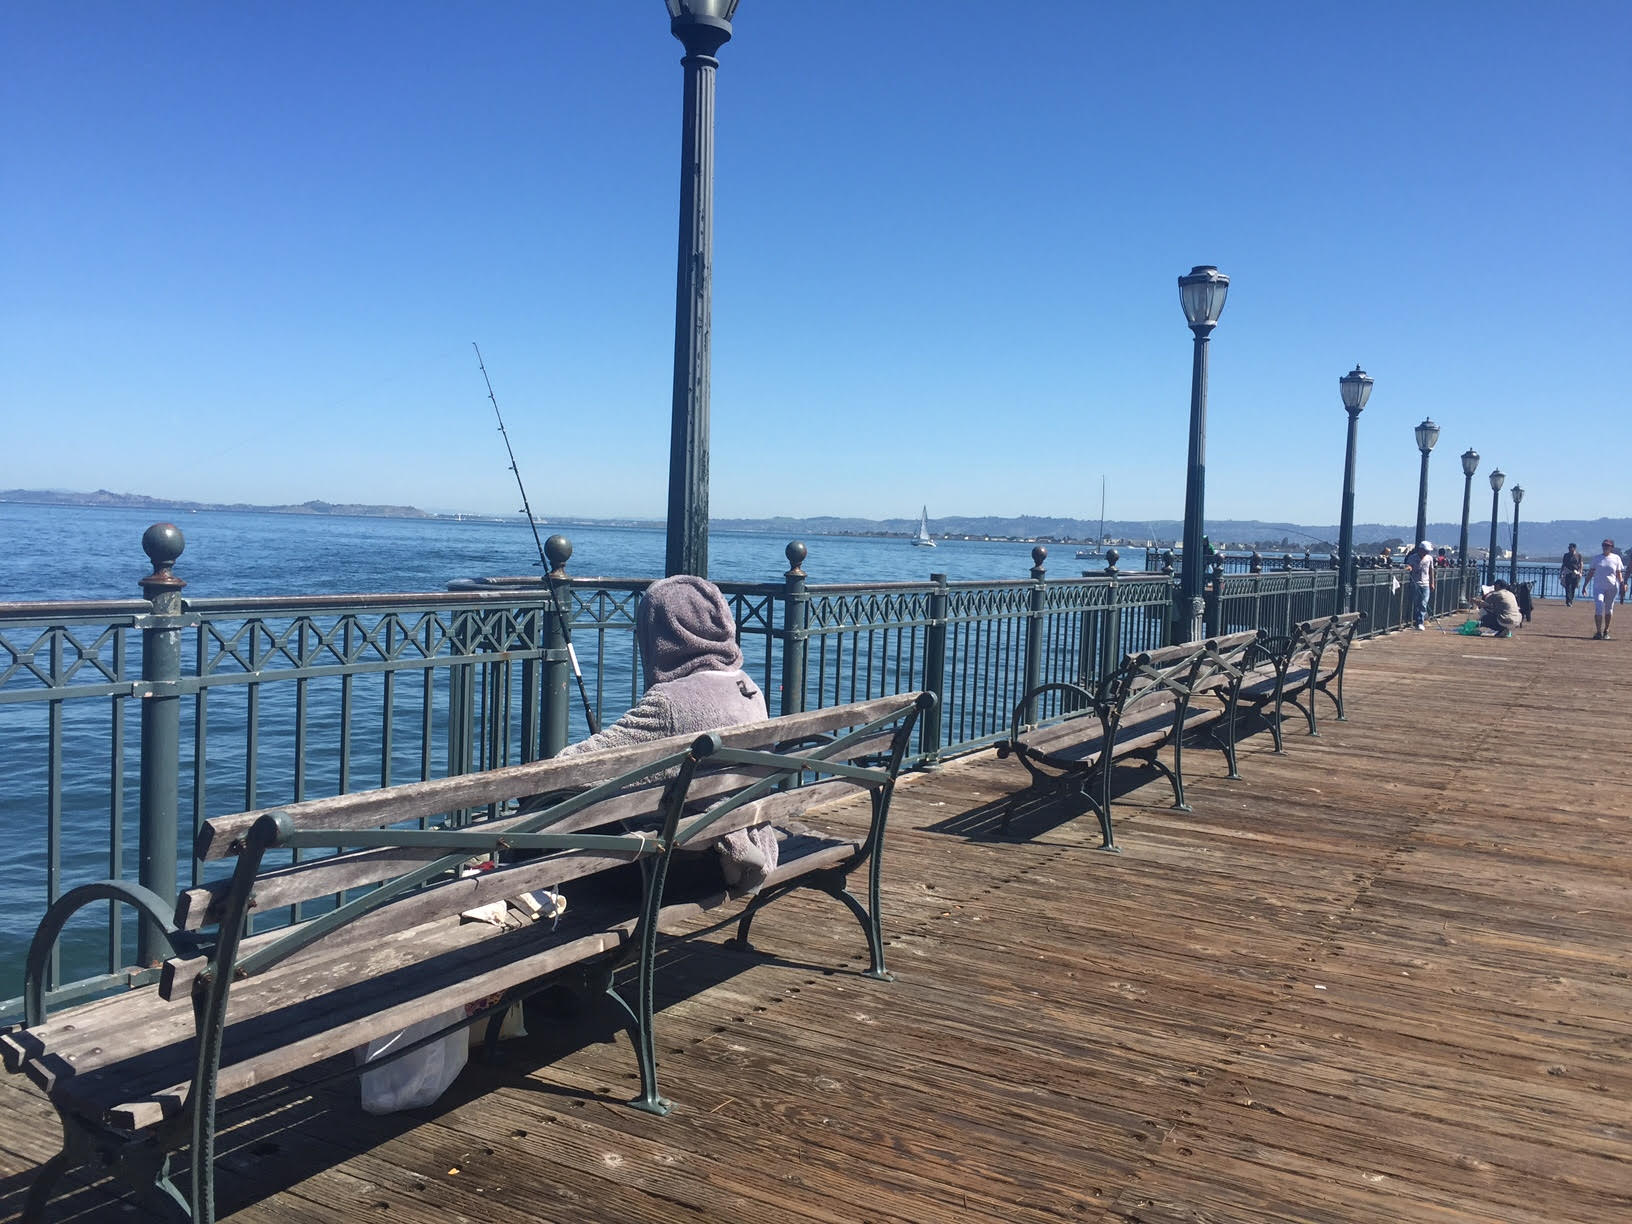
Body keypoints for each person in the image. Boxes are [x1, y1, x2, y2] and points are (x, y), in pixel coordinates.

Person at [550, 574, 778, 888]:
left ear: (661, 635)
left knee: (548, 818)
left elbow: (575, 768)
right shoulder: (750, 690)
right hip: (744, 848)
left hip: (675, 869)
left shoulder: (670, 703)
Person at [1582, 538, 1627, 640]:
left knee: (1609, 608)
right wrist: (1585, 585)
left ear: (1611, 547)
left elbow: (1619, 573)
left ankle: (1606, 630)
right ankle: (1598, 631)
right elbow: (1591, 573)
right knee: (1599, 605)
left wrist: (1622, 584)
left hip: (1612, 587)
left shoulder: (1616, 558)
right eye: (1604, 545)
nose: (1605, 547)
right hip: (1599, 587)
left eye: (1607, 546)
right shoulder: (1597, 558)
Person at [1405, 540, 1435, 630]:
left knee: (1423, 603)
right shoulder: (1412, 557)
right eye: (1426, 550)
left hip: (1425, 583)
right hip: (1415, 582)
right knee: (1416, 602)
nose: (1427, 552)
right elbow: (1409, 565)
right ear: (1421, 550)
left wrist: (1432, 583)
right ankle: (1416, 620)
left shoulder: (1429, 558)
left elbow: (1431, 571)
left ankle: (1420, 622)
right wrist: (1409, 568)